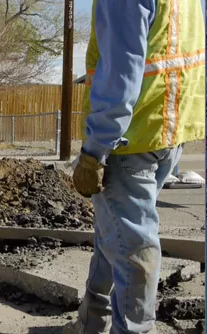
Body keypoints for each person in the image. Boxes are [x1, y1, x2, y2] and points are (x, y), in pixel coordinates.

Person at [66, 0, 205, 333]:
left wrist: (95, 150)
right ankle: (92, 322)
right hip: (167, 131)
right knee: (113, 232)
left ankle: (132, 328)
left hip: (129, 141)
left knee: (132, 251)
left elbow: (120, 72)